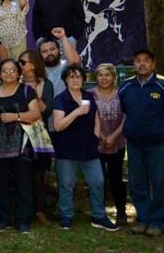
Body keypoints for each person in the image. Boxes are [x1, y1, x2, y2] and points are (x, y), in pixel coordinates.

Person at [118, 49, 164, 237]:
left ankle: (157, 222)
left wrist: (159, 130)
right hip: (134, 144)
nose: (142, 64)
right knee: (137, 183)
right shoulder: (125, 87)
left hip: (158, 144)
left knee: (159, 182)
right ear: (133, 64)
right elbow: (124, 111)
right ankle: (143, 219)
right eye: (138, 61)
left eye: (146, 60)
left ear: (153, 64)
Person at [53, 64, 119, 232]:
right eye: (71, 77)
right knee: (67, 184)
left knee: (98, 182)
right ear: (66, 80)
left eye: (78, 76)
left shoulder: (89, 96)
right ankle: (66, 216)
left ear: (83, 79)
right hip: (67, 149)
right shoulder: (61, 99)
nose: (75, 80)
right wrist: (76, 112)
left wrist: (96, 137)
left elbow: (97, 120)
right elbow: (58, 125)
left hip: (89, 149)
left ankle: (98, 216)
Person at [0, 59, 40, 234]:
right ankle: (3, 219)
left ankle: (23, 220)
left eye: (12, 70)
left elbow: (36, 114)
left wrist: (15, 116)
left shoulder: (27, 91)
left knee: (23, 184)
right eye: (4, 70)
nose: (8, 73)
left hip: (22, 146)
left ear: (19, 73)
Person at [18, 50, 55, 225]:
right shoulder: (13, 82)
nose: (20, 65)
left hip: (39, 133)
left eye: (22, 62)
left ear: (33, 64)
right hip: (17, 133)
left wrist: (33, 94)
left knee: (40, 175)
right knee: (21, 174)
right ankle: (21, 210)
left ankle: (40, 211)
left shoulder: (46, 84)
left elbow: (46, 111)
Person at [91, 63, 127, 226]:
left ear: (113, 77)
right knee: (99, 179)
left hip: (117, 142)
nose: (104, 78)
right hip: (96, 142)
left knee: (116, 178)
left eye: (107, 75)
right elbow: (90, 118)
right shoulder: (90, 95)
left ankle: (121, 211)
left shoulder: (122, 94)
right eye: (100, 75)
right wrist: (103, 136)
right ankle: (99, 212)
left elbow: (127, 116)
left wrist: (113, 136)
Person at [38, 27, 82, 97]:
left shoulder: (65, 65)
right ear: (40, 54)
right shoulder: (38, 70)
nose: (49, 53)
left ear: (59, 50)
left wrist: (63, 37)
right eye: (44, 51)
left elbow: (75, 63)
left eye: (52, 49)